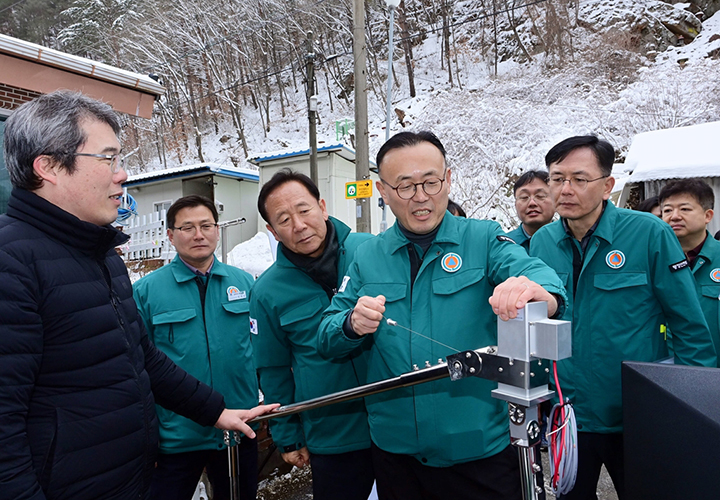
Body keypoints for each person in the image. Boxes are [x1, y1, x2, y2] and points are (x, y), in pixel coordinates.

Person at [0, 91, 276, 500]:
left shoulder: (101, 255)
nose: (122, 174)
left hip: (130, 479)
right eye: (108, 158)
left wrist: (215, 411)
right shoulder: (11, 262)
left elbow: (141, 357)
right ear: (50, 167)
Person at [317, 131, 567, 500]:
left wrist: (537, 294)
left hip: (479, 451)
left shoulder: (482, 239)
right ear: (383, 192)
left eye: (430, 182)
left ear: (448, 180)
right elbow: (326, 334)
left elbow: (540, 277)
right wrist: (350, 324)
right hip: (397, 453)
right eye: (404, 186)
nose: (420, 197)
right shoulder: (368, 255)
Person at [529, 135, 717, 500]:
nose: (565, 189)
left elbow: (688, 324)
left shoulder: (648, 233)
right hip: (568, 414)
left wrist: (695, 408)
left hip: (635, 414)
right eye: (556, 178)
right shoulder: (542, 243)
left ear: (607, 185)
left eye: (579, 179)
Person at [250, 170, 375, 500]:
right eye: (284, 219)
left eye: (304, 210)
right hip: (332, 433)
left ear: (322, 207)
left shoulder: (371, 250)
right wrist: (288, 434)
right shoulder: (267, 292)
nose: (299, 225)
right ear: (272, 231)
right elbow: (272, 368)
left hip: (396, 419)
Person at [133, 195, 260, 500]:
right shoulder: (146, 292)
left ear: (217, 229)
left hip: (238, 430)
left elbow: (263, 350)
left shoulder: (245, 283)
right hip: (176, 437)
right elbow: (137, 366)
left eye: (206, 225)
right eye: (187, 227)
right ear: (170, 235)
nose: (198, 234)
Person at [658, 179, 720, 365]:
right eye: (667, 210)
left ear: (708, 215)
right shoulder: (652, 260)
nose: (674, 216)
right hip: (661, 371)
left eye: (685, 209)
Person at [506, 170, 554, 251]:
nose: (532, 203)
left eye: (540, 196)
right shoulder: (504, 246)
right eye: (524, 197)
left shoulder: (571, 242)